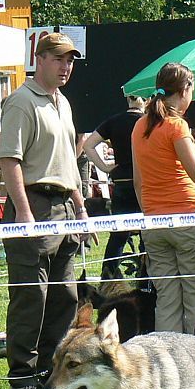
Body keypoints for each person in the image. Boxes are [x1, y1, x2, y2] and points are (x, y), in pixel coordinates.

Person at [0, 32, 87, 389]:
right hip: (33, 204)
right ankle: (22, 376)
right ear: (40, 59)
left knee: (64, 295)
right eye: (60, 59)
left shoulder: (62, 102)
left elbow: (69, 160)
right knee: (30, 296)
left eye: (70, 61)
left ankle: (51, 372)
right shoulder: (21, 101)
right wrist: (22, 210)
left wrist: (81, 207)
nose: (66, 67)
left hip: (64, 205)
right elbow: (9, 160)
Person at [131, 63, 195, 334]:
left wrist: (150, 212)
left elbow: (138, 181)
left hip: (154, 221)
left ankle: (167, 365)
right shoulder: (176, 126)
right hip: (188, 218)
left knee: (166, 299)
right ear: (186, 89)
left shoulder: (140, 126)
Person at [82, 95, 145, 279]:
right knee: (147, 235)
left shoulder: (114, 121)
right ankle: (147, 278)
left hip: (121, 183)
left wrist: (105, 167)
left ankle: (107, 276)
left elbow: (88, 145)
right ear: (146, 99)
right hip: (145, 183)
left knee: (118, 236)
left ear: (127, 99)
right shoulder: (147, 122)